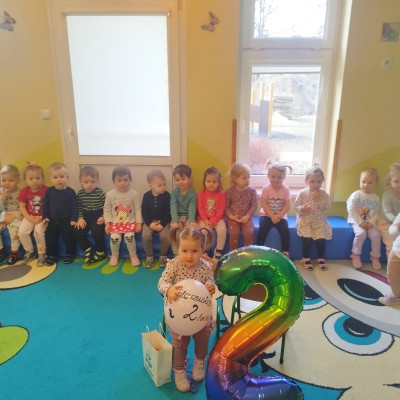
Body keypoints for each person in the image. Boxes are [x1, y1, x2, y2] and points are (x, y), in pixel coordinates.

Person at [157, 226, 215, 392]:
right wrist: (169, 289)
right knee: (179, 341)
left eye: (195, 251)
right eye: (184, 250)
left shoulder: (205, 266)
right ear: (177, 248)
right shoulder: (174, 265)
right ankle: (179, 369)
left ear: (202, 249)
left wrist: (211, 286)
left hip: (200, 314)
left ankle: (199, 362)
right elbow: (162, 282)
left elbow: (211, 282)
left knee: (204, 335)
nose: (189, 256)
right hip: (177, 315)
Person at [103, 165, 143, 267]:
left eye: (126, 180)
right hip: (116, 222)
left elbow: (138, 209)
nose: (123, 183)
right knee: (114, 239)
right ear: (114, 181)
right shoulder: (110, 195)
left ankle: (133, 255)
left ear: (130, 180)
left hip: (130, 222)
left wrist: (139, 223)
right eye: (119, 180)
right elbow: (107, 210)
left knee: (129, 237)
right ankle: (114, 255)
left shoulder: (133, 194)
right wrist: (107, 223)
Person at [294, 167, 332, 271]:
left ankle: (321, 258)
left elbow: (326, 206)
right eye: (312, 181)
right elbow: (296, 207)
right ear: (306, 181)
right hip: (305, 221)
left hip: (319, 222)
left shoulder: (324, 194)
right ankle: (305, 258)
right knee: (308, 239)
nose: (316, 184)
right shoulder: (302, 193)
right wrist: (303, 208)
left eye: (319, 181)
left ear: (322, 181)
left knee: (321, 239)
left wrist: (318, 199)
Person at [42, 162, 78, 265]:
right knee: (50, 237)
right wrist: (45, 217)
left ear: (67, 177)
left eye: (62, 176)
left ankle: (70, 254)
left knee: (69, 237)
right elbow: (45, 205)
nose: (59, 179)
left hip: (67, 220)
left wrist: (73, 218)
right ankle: (52, 255)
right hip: (53, 219)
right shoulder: (49, 191)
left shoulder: (70, 192)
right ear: (51, 179)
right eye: (55, 177)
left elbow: (75, 206)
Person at [347, 167, 381, 270]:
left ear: (376, 183)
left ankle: (375, 256)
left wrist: (371, 222)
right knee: (361, 233)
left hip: (370, 222)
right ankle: (355, 254)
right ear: (360, 181)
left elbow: (377, 212)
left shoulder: (376, 198)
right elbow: (351, 209)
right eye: (363, 182)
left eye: (370, 183)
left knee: (376, 235)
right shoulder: (356, 195)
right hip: (356, 220)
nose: (366, 185)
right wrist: (360, 222)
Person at [256, 161, 292, 257]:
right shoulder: (266, 188)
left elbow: (287, 205)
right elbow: (264, 204)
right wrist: (272, 216)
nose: (276, 179)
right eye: (273, 177)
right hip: (266, 215)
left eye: (279, 177)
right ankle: (259, 249)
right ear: (268, 176)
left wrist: (278, 216)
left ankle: (285, 251)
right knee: (263, 228)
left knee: (285, 230)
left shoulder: (285, 189)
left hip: (281, 216)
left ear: (284, 177)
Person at [74, 166, 106, 264]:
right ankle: (88, 249)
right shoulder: (80, 194)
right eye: (86, 182)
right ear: (81, 181)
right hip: (86, 216)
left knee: (97, 232)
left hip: (98, 215)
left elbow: (107, 206)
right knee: (77, 231)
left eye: (93, 182)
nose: (89, 185)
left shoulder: (100, 193)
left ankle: (100, 251)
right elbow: (79, 207)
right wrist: (80, 218)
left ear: (97, 181)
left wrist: (103, 216)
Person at [18, 163, 48, 266]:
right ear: (25, 180)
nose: (35, 181)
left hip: (43, 217)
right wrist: (29, 218)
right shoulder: (25, 191)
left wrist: (42, 217)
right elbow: (22, 207)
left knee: (38, 231)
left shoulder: (47, 190)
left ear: (42, 178)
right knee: (21, 232)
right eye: (31, 179)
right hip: (29, 217)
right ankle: (30, 251)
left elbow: (50, 206)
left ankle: (42, 253)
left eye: (37, 178)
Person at [141, 170, 171, 269]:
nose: (163, 187)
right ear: (151, 186)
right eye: (159, 185)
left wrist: (162, 224)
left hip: (163, 221)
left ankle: (163, 255)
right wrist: (149, 223)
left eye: (164, 184)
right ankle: (149, 256)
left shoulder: (167, 196)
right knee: (145, 236)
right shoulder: (146, 196)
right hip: (150, 222)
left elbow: (168, 212)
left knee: (165, 236)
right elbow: (144, 212)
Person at [225, 163, 258, 251]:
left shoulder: (252, 191)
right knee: (234, 233)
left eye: (248, 177)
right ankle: (233, 254)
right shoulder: (229, 192)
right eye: (244, 178)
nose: (247, 180)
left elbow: (254, 205)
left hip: (247, 217)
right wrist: (232, 216)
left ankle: (248, 253)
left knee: (249, 232)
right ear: (235, 179)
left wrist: (247, 216)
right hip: (233, 218)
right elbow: (226, 207)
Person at [197, 167, 226, 260]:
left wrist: (214, 220)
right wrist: (206, 220)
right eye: (208, 181)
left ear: (218, 183)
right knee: (203, 231)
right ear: (204, 182)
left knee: (222, 230)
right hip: (203, 218)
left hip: (218, 218)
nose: (211, 184)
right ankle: (203, 251)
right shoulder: (201, 194)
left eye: (214, 182)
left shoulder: (221, 194)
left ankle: (218, 252)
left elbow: (221, 209)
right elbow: (200, 209)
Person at [170, 164, 197, 254]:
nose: (180, 182)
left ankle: (187, 250)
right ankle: (176, 252)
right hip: (177, 216)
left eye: (183, 179)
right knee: (174, 231)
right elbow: (173, 207)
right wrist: (175, 221)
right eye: (177, 180)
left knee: (189, 232)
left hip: (188, 217)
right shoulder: (174, 193)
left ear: (190, 179)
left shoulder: (192, 193)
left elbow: (192, 208)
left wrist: (192, 221)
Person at [378, 161, 400, 260]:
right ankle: (391, 267)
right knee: (392, 244)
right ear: (390, 181)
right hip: (386, 223)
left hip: (398, 223)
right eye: (396, 181)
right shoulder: (387, 195)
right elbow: (387, 212)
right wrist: (397, 222)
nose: (399, 184)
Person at [0, 165, 22, 265]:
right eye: (3, 180)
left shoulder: (21, 192)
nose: (7, 183)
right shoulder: (1, 192)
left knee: (14, 230)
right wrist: (2, 198)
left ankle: (14, 252)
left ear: (18, 180)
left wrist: (15, 215)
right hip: (5, 215)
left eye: (11, 180)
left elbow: (24, 208)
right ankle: (1, 250)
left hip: (17, 215)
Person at [379, 213, 400, 306]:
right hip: (398, 250)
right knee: (392, 274)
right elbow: (392, 230)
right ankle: (396, 295)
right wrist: (397, 229)